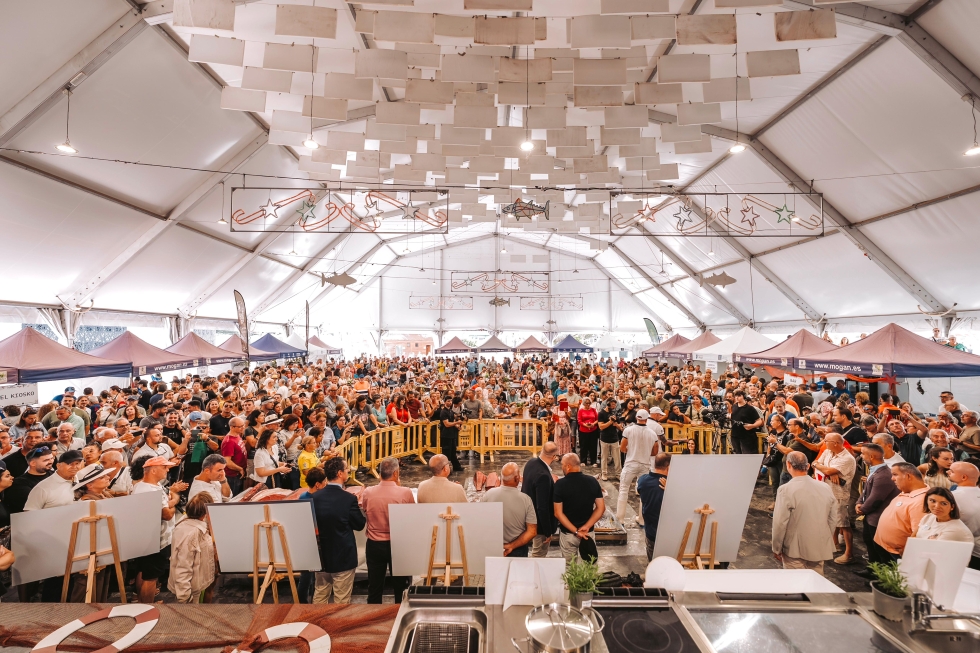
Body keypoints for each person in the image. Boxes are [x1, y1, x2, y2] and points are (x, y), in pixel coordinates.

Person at [131, 455, 186, 603]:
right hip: (157, 539)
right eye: (165, 467)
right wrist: (173, 505)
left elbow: (167, 501)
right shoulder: (153, 490)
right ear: (153, 470)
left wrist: (170, 501)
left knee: (143, 572)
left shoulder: (140, 486)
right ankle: (147, 608)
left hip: (145, 537)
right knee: (151, 577)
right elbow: (167, 514)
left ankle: (142, 603)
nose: (168, 470)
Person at [359, 457, 415, 604]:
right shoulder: (405, 492)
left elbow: (364, 509)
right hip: (397, 544)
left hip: (374, 544)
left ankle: (375, 618)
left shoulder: (368, 492)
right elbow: (411, 516)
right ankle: (398, 615)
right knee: (400, 586)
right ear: (396, 473)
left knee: (375, 586)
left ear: (379, 473)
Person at [771, 452, 837, 575]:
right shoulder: (825, 487)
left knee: (796, 586)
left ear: (788, 464)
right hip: (819, 544)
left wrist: (776, 547)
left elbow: (780, 522)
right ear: (807, 466)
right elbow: (833, 518)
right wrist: (825, 538)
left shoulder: (785, 490)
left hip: (794, 548)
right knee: (816, 585)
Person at [311, 458, 365, 604]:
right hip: (343, 556)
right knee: (341, 599)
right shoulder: (348, 499)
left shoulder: (314, 497)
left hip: (321, 556)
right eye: (347, 469)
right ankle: (338, 626)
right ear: (340, 473)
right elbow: (359, 524)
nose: (348, 471)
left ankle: (316, 623)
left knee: (320, 595)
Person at [812, 433, 856, 564]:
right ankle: (834, 544)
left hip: (839, 494)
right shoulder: (827, 451)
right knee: (831, 520)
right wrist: (825, 469)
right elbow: (815, 462)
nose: (824, 442)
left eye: (826, 441)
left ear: (836, 443)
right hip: (826, 490)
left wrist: (829, 471)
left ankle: (849, 553)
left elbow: (828, 471)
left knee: (843, 523)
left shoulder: (847, 458)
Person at [553, 453, 604, 563]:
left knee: (569, 568)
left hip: (568, 534)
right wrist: (586, 526)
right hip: (587, 534)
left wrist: (576, 532)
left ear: (568, 466)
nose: (561, 467)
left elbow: (558, 513)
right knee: (589, 568)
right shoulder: (592, 481)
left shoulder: (560, 484)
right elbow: (601, 508)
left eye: (562, 464)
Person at [855, 443, 900, 567]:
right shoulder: (876, 471)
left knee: (879, 550)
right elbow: (866, 491)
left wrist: (862, 509)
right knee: (870, 543)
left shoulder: (884, 475)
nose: (861, 456)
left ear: (872, 456)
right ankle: (872, 570)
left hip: (878, 518)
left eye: (863, 454)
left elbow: (876, 498)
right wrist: (859, 502)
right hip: (870, 516)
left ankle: (879, 576)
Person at [168, 493, 216, 603]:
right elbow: (183, 566)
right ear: (205, 513)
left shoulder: (194, 527)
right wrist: (185, 597)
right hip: (191, 593)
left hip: (199, 585)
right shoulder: (191, 534)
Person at [874, 463, 929, 559]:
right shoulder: (907, 491)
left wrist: (908, 549)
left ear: (908, 476)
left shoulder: (921, 501)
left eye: (895, 474)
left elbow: (919, 533)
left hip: (898, 554)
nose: (892, 478)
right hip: (886, 548)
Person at [483, 462, 537, 557]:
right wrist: (511, 546)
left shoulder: (488, 495)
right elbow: (532, 531)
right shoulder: (525, 499)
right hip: (517, 549)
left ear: (501, 477)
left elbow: (480, 523)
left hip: (492, 547)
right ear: (517, 478)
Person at [616, 409, 661, 524]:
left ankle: (620, 519)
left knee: (624, 490)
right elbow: (655, 452)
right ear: (646, 419)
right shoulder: (652, 433)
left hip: (630, 463)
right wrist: (644, 453)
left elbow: (622, 448)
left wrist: (632, 451)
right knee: (643, 493)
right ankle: (641, 519)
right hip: (645, 465)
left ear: (637, 417)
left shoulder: (628, 430)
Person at [522, 442, 558, 558]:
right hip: (539, 525)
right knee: (538, 554)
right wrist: (547, 531)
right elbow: (542, 507)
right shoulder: (544, 476)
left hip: (527, 515)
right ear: (554, 457)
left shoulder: (531, 462)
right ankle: (533, 575)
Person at [636, 453, 670, 561]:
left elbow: (639, 490)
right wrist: (672, 487)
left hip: (650, 531)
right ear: (669, 467)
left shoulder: (643, 480)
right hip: (667, 535)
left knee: (653, 564)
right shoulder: (670, 485)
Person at [2, 445, 54, 515]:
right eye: (46, 460)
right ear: (33, 463)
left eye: (52, 458)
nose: (51, 462)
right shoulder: (20, 483)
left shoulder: (55, 475)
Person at [949, 462, 980, 569]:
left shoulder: (954, 497)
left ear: (963, 477)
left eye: (951, 471)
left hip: (963, 550)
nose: (948, 472)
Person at [220, 417, 248, 496]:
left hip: (239, 473)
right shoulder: (229, 441)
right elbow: (227, 461)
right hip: (233, 475)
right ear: (232, 427)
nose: (243, 428)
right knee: (234, 497)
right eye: (240, 426)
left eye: (243, 425)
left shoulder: (237, 435)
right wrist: (240, 469)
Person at [437, 396, 464, 472]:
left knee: (453, 452)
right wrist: (457, 422)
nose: (449, 402)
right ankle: (444, 469)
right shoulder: (443, 412)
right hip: (446, 435)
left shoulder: (451, 411)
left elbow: (452, 421)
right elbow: (447, 424)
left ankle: (457, 467)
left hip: (452, 434)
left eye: (450, 401)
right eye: (448, 401)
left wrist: (457, 426)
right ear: (445, 402)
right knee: (446, 453)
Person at [597, 398, 621, 481]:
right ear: (608, 404)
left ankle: (618, 474)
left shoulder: (615, 413)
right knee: (604, 457)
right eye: (613, 404)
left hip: (614, 438)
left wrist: (616, 424)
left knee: (617, 458)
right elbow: (601, 427)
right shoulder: (601, 413)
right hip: (604, 438)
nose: (614, 406)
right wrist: (610, 422)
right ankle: (604, 473)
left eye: (615, 404)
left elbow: (620, 427)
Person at [576, 398, 599, 466]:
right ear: (583, 403)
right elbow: (579, 420)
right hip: (583, 430)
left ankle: (593, 461)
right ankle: (583, 461)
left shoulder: (593, 410)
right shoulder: (580, 411)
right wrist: (585, 425)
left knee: (593, 446)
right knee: (583, 446)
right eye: (586, 403)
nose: (588, 404)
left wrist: (593, 424)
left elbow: (597, 419)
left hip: (593, 429)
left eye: (589, 403)